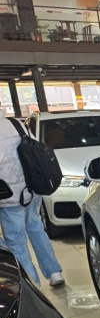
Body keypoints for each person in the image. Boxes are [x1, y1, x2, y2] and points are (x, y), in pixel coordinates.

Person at [0, 117, 64, 287]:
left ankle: (32, 284)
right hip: (32, 189)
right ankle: (54, 272)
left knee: (16, 241)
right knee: (36, 229)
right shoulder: (15, 123)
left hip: (9, 197)